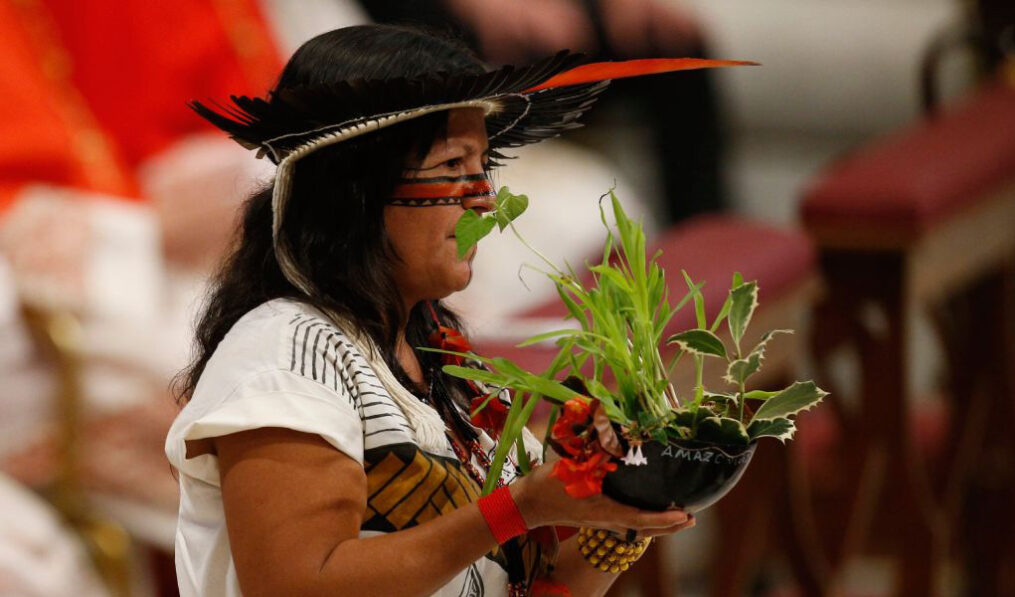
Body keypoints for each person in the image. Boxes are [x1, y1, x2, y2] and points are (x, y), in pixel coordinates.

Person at [165, 24, 746, 597]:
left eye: (482, 168)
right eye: (452, 167)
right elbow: (297, 586)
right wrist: (515, 509)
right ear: (355, 193)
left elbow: (530, 582)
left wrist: (621, 508)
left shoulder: (435, 354)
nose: (485, 198)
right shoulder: (285, 356)